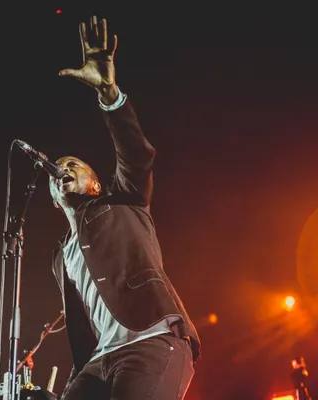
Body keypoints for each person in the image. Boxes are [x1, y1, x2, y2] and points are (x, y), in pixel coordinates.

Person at [49, 16, 201, 399]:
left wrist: (109, 94)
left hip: (152, 340)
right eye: (59, 167)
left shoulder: (121, 201)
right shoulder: (61, 256)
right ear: (53, 197)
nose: (64, 169)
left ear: (96, 184)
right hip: (100, 360)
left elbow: (136, 155)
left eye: (74, 164)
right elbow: (83, 323)